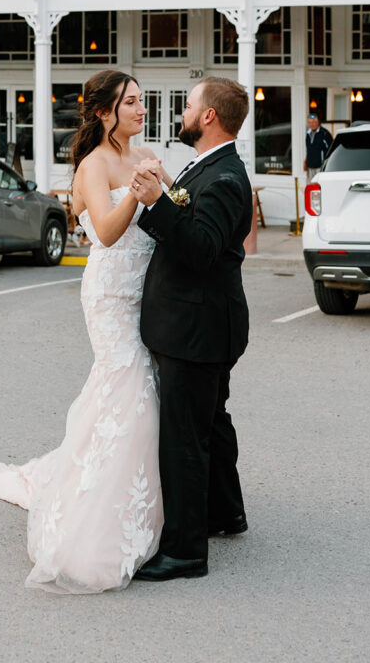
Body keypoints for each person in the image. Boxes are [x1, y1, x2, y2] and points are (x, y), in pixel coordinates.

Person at [0, 69, 168, 594]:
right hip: (109, 293)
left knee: (139, 387)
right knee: (130, 388)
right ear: (104, 111)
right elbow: (104, 230)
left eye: (141, 102)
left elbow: (169, 212)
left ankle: (141, 503)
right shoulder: (94, 164)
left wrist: (164, 191)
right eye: (130, 103)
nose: (140, 110)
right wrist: (139, 192)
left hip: (145, 289)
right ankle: (99, 521)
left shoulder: (146, 154)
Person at [128, 76, 253, 581]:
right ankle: (226, 513)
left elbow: (201, 248)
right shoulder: (210, 167)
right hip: (204, 323)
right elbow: (195, 219)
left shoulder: (225, 178)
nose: (181, 111)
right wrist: (170, 191)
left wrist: (159, 200)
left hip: (196, 327)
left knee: (184, 435)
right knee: (211, 421)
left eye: (189, 104)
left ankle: (184, 550)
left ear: (208, 117)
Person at [303, 110, 332, 181]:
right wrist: (305, 162)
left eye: (313, 122)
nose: (311, 124)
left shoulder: (325, 134)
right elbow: (309, 149)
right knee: (311, 186)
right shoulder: (308, 134)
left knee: (319, 185)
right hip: (310, 166)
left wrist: (327, 165)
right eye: (309, 122)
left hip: (320, 166)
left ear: (317, 122)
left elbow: (331, 150)